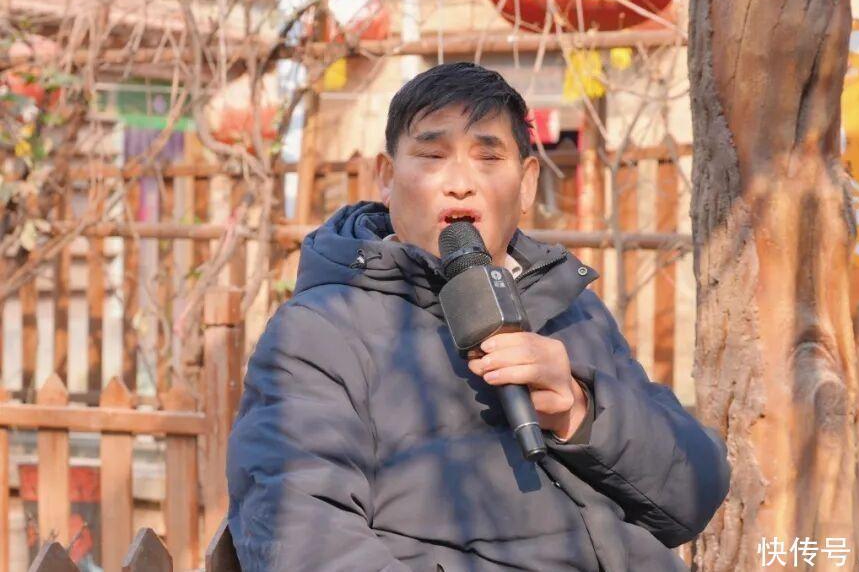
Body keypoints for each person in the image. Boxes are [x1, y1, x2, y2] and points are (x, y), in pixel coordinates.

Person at [227, 62, 730, 571]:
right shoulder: (320, 330)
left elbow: (695, 497)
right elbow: (302, 541)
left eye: (488, 157)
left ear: (527, 184)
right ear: (386, 177)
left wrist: (579, 411)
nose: (460, 183)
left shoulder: (571, 307)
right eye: (432, 155)